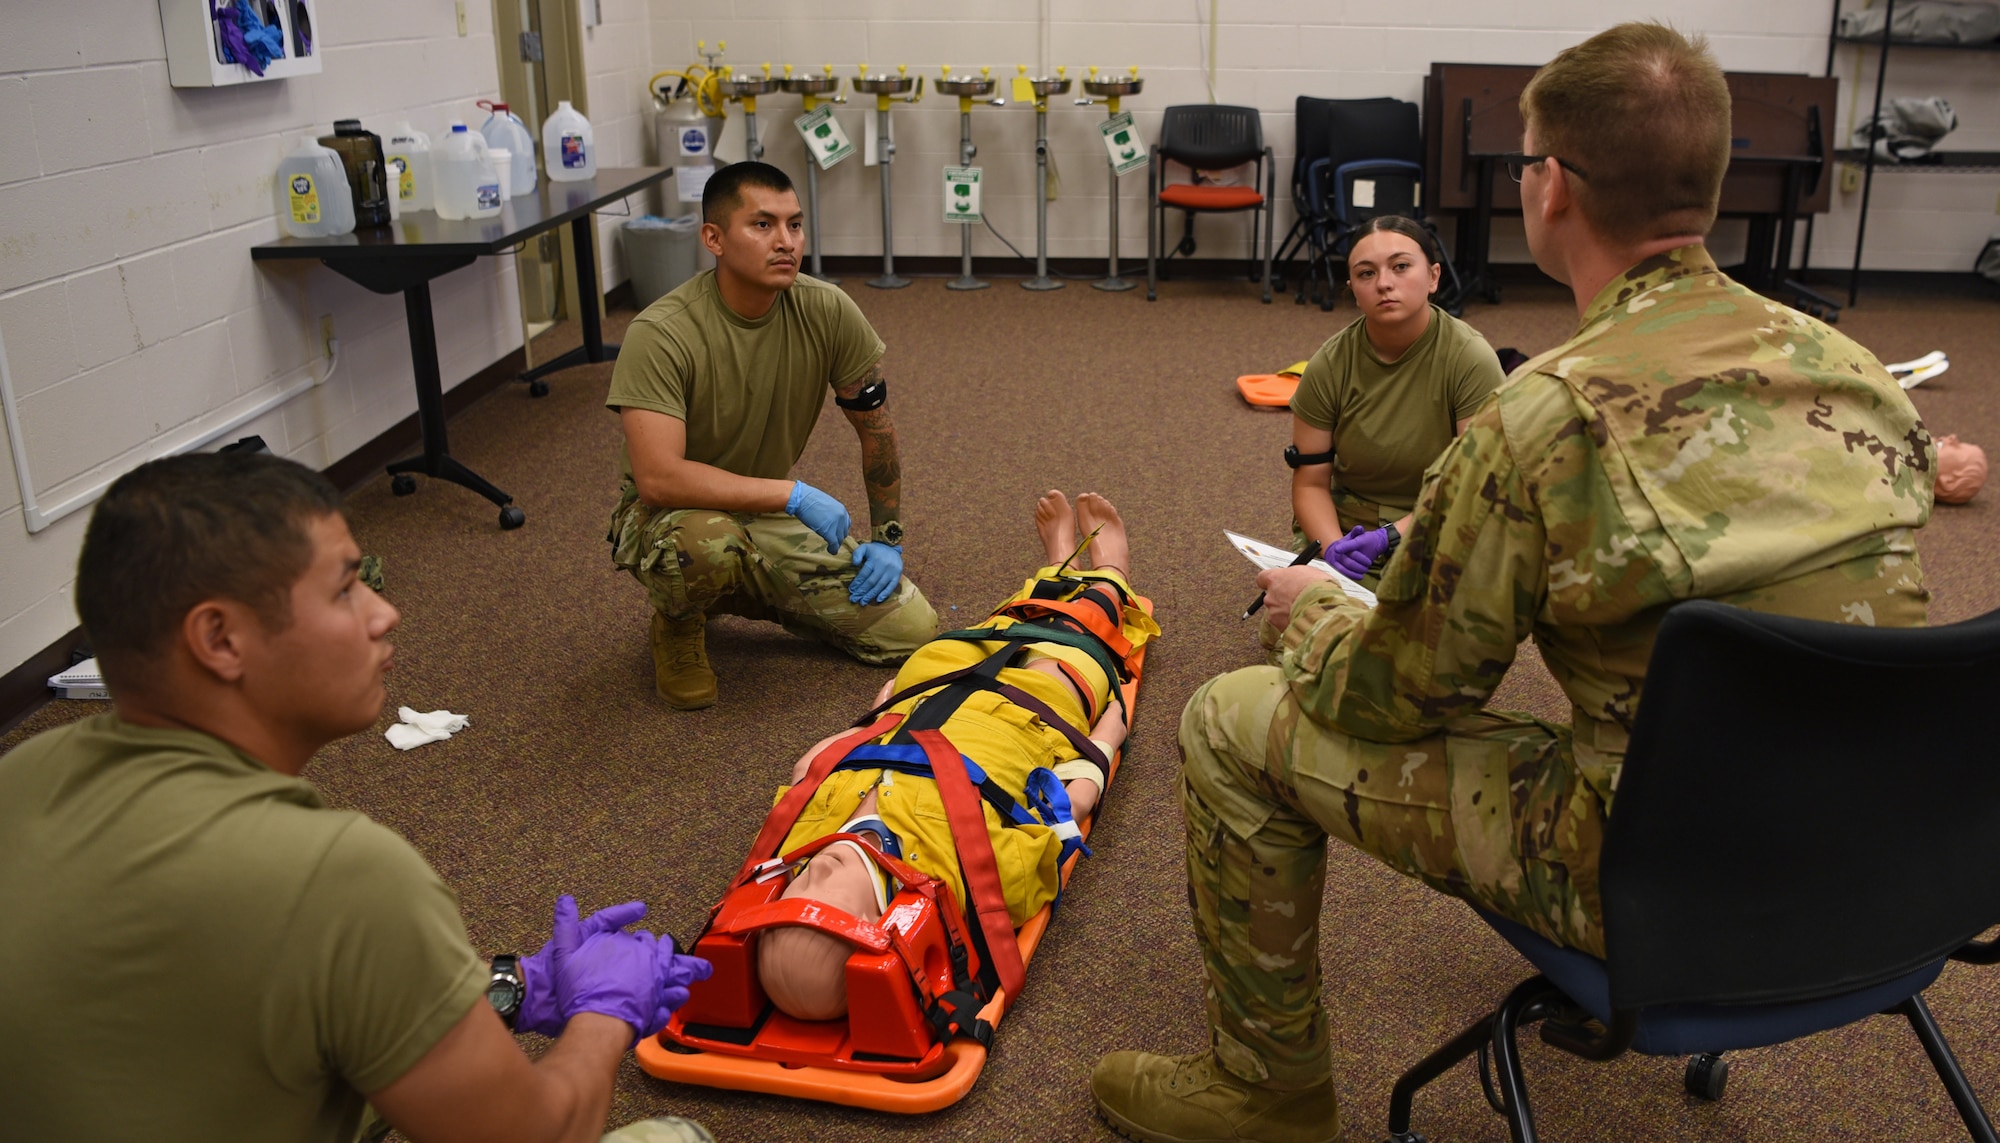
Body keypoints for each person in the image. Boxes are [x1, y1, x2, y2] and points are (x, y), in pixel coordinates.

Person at [1092, 23, 1935, 1143]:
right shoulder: (1855, 367)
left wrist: (1309, 620)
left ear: (1549, 192)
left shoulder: (1539, 413)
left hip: (1664, 881)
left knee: (1228, 718)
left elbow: (1393, 699)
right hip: (1894, 860)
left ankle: (1264, 1091)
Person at [0, 452, 713, 1143]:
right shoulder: (338, 874)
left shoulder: (24, 775)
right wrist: (604, 1011)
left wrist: (514, 985)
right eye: (346, 589)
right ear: (219, 638)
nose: (385, 612)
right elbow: (533, 1132)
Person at [753, 492, 1157, 1020]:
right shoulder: (965, 879)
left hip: (928, 698)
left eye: (802, 884)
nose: (821, 870)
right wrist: (1104, 744)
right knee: (1069, 648)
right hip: (1025, 718)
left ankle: (1054, 567)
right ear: (884, 926)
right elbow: (1067, 811)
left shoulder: (799, 843)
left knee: (984, 634)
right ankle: (1110, 575)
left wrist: (879, 717)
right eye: (834, 896)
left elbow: (816, 766)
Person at [607, 160, 938, 710]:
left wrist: (887, 538)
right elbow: (659, 479)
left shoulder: (826, 309)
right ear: (713, 237)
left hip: (759, 513)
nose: (786, 242)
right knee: (703, 545)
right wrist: (793, 494)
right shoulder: (661, 333)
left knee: (912, 630)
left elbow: (876, 429)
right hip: (669, 518)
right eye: (762, 225)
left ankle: (751, 586)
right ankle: (680, 619)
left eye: (795, 225)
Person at [1288, 215, 1507, 586]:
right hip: (1350, 524)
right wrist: (1333, 548)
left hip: (1442, 519)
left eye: (1401, 266)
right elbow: (1310, 483)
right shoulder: (1329, 364)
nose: (1384, 283)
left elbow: (1477, 485)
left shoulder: (1470, 358)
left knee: (1440, 631)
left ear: (1434, 277)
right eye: (1366, 274)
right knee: (1296, 627)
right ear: (1353, 289)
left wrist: (1390, 537)